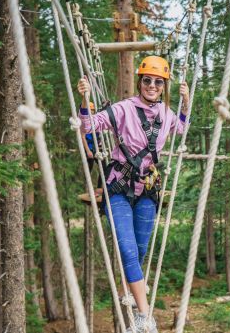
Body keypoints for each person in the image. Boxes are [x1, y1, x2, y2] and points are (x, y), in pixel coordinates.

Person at [77, 56, 189, 333]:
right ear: (140, 81)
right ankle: (144, 318)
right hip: (118, 186)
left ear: (163, 87)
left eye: (158, 82)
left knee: (138, 251)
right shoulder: (123, 109)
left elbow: (182, 128)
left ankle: (132, 291)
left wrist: (186, 103)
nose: (152, 85)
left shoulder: (166, 114)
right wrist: (84, 100)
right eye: (147, 80)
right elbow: (88, 125)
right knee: (127, 249)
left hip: (148, 190)